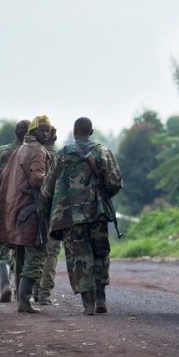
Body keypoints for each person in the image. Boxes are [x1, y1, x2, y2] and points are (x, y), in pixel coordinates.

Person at [39, 117, 122, 315]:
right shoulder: (103, 152)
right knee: (100, 254)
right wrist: (101, 196)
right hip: (98, 214)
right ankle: (101, 298)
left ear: (74, 132)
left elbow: (48, 187)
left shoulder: (63, 155)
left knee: (79, 258)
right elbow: (115, 182)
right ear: (91, 132)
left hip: (71, 217)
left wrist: (43, 211)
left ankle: (88, 305)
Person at [0, 116, 52, 313]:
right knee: (35, 256)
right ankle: (25, 300)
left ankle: (22, 301)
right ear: (33, 131)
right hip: (32, 211)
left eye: (47, 130)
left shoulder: (20, 150)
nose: (45, 134)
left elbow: (1, 178)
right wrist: (54, 179)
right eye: (42, 130)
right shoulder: (38, 151)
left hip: (16, 212)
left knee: (21, 255)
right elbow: (38, 180)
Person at [0, 119, 30, 302]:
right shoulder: (31, 152)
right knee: (21, 248)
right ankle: (20, 291)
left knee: (2, 247)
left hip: (3, 203)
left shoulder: (1, 151)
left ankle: (5, 284)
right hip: (23, 205)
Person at [36, 127, 62, 305]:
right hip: (55, 211)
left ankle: (31, 289)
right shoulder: (60, 158)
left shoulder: (34, 155)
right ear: (55, 139)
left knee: (35, 251)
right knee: (52, 252)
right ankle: (44, 293)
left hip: (34, 209)